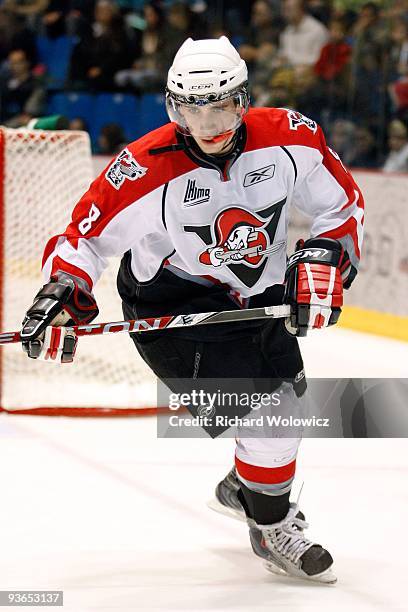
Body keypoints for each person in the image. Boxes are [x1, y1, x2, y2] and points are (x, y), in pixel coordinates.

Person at [20, 36, 364, 583]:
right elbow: (83, 241)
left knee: (286, 416)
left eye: (220, 105)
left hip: (258, 291)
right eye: (189, 108)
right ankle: (270, 527)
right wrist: (63, 292)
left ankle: (244, 489)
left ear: (243, 99)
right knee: (273, 423)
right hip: (173, 303)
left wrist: (325, 258)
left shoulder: (291, 138)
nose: (205, 123)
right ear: (172, 106)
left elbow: (339, 206)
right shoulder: (142, 168)